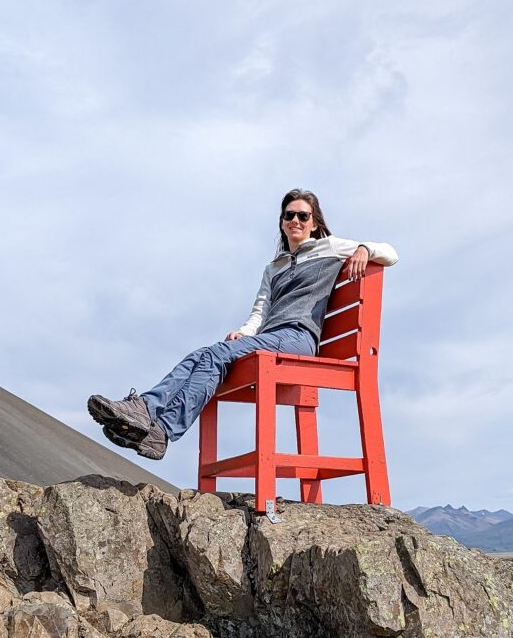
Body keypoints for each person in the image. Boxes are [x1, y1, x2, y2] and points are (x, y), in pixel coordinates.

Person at [87, 189, 398, 460]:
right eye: (289, 215)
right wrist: (245, 333)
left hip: (297, 338)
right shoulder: (273, 268)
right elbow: (259, 312)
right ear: (282, 221)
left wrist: (364, 248)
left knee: (213, 355)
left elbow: (391, 253)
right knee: (204, 354)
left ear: (314, 222)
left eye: (304, 216)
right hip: (271, 337)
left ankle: (157, 424)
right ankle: (147, 413)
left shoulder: (329, 247)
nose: (296, 221)